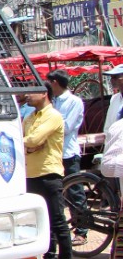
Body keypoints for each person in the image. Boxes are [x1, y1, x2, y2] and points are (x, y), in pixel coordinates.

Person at [23, 85, 74, 259]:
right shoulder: (30, 117)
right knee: (43, 224)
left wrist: (30, 143)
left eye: (31, 91)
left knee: (58, 221)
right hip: (31, 174)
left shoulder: (53, 116)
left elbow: (34, 138)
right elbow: (27, 140)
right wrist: (30, 145)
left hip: (49, 174)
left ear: (44, 93)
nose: (27, 94)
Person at [46, 71, 87, 245]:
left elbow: (67, 127)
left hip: (68, 153)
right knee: (57, 195)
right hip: (52, 155)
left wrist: (47, 125)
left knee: (75, 193)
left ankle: (82, 231)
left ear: (55, 83)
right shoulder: (52, 102)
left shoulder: (74, 102)